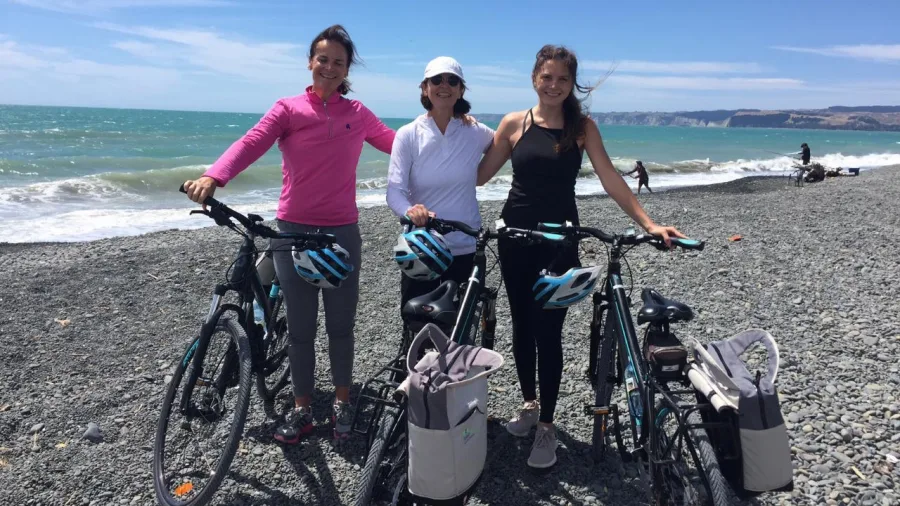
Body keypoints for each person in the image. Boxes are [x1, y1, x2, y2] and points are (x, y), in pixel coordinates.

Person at [477, 45, 687, 469]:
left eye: (562, 79)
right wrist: (448, 135)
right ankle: (531, 404)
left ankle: (548, 428)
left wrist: (649, 223)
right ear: (534, 77)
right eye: (546, 77)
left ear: (572, 84)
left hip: (560, 242)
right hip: (515, 237)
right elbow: (479, 174)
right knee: (520, 326)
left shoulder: (582, 127)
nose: (553, 86)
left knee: (548, 331)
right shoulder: (514, 123)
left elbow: (610, 177)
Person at [182, 25, 395, 443]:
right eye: (323, 59)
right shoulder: (288, 109)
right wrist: (214, 175)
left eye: (338, 61)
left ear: (347, 68)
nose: (329, 67)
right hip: (293, 231)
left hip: (341, 233)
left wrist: (452, 127)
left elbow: (401, 144)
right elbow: (252, 141)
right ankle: (301, 409)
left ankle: (342, 401)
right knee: (300, 328)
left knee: (341, 325)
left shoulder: (358, 115)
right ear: (310, 62)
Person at [387, 56, 495, 312]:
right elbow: (394, 191)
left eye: (452, 80)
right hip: (423, 247)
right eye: (436, 80)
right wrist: (410, 211)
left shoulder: (476, 131)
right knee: (420, 332)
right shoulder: (408, 134)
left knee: (462, 334)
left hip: (467, 245)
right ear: (425, 88)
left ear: (460, 90)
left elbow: (510, 143)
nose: (444, 85)